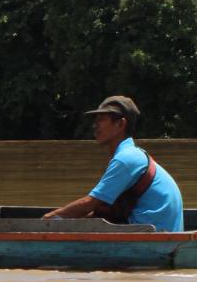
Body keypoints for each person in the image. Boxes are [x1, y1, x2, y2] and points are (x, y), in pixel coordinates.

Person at [43, 95, 184, 231]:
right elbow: (100, 210)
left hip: (155, 233)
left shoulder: (125, 159)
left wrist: (49, 219)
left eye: (101, 120)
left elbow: (88, 205)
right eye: (95, 120)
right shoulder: (133, 153)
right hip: (160, 229)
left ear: (121, 124)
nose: (95, 125)